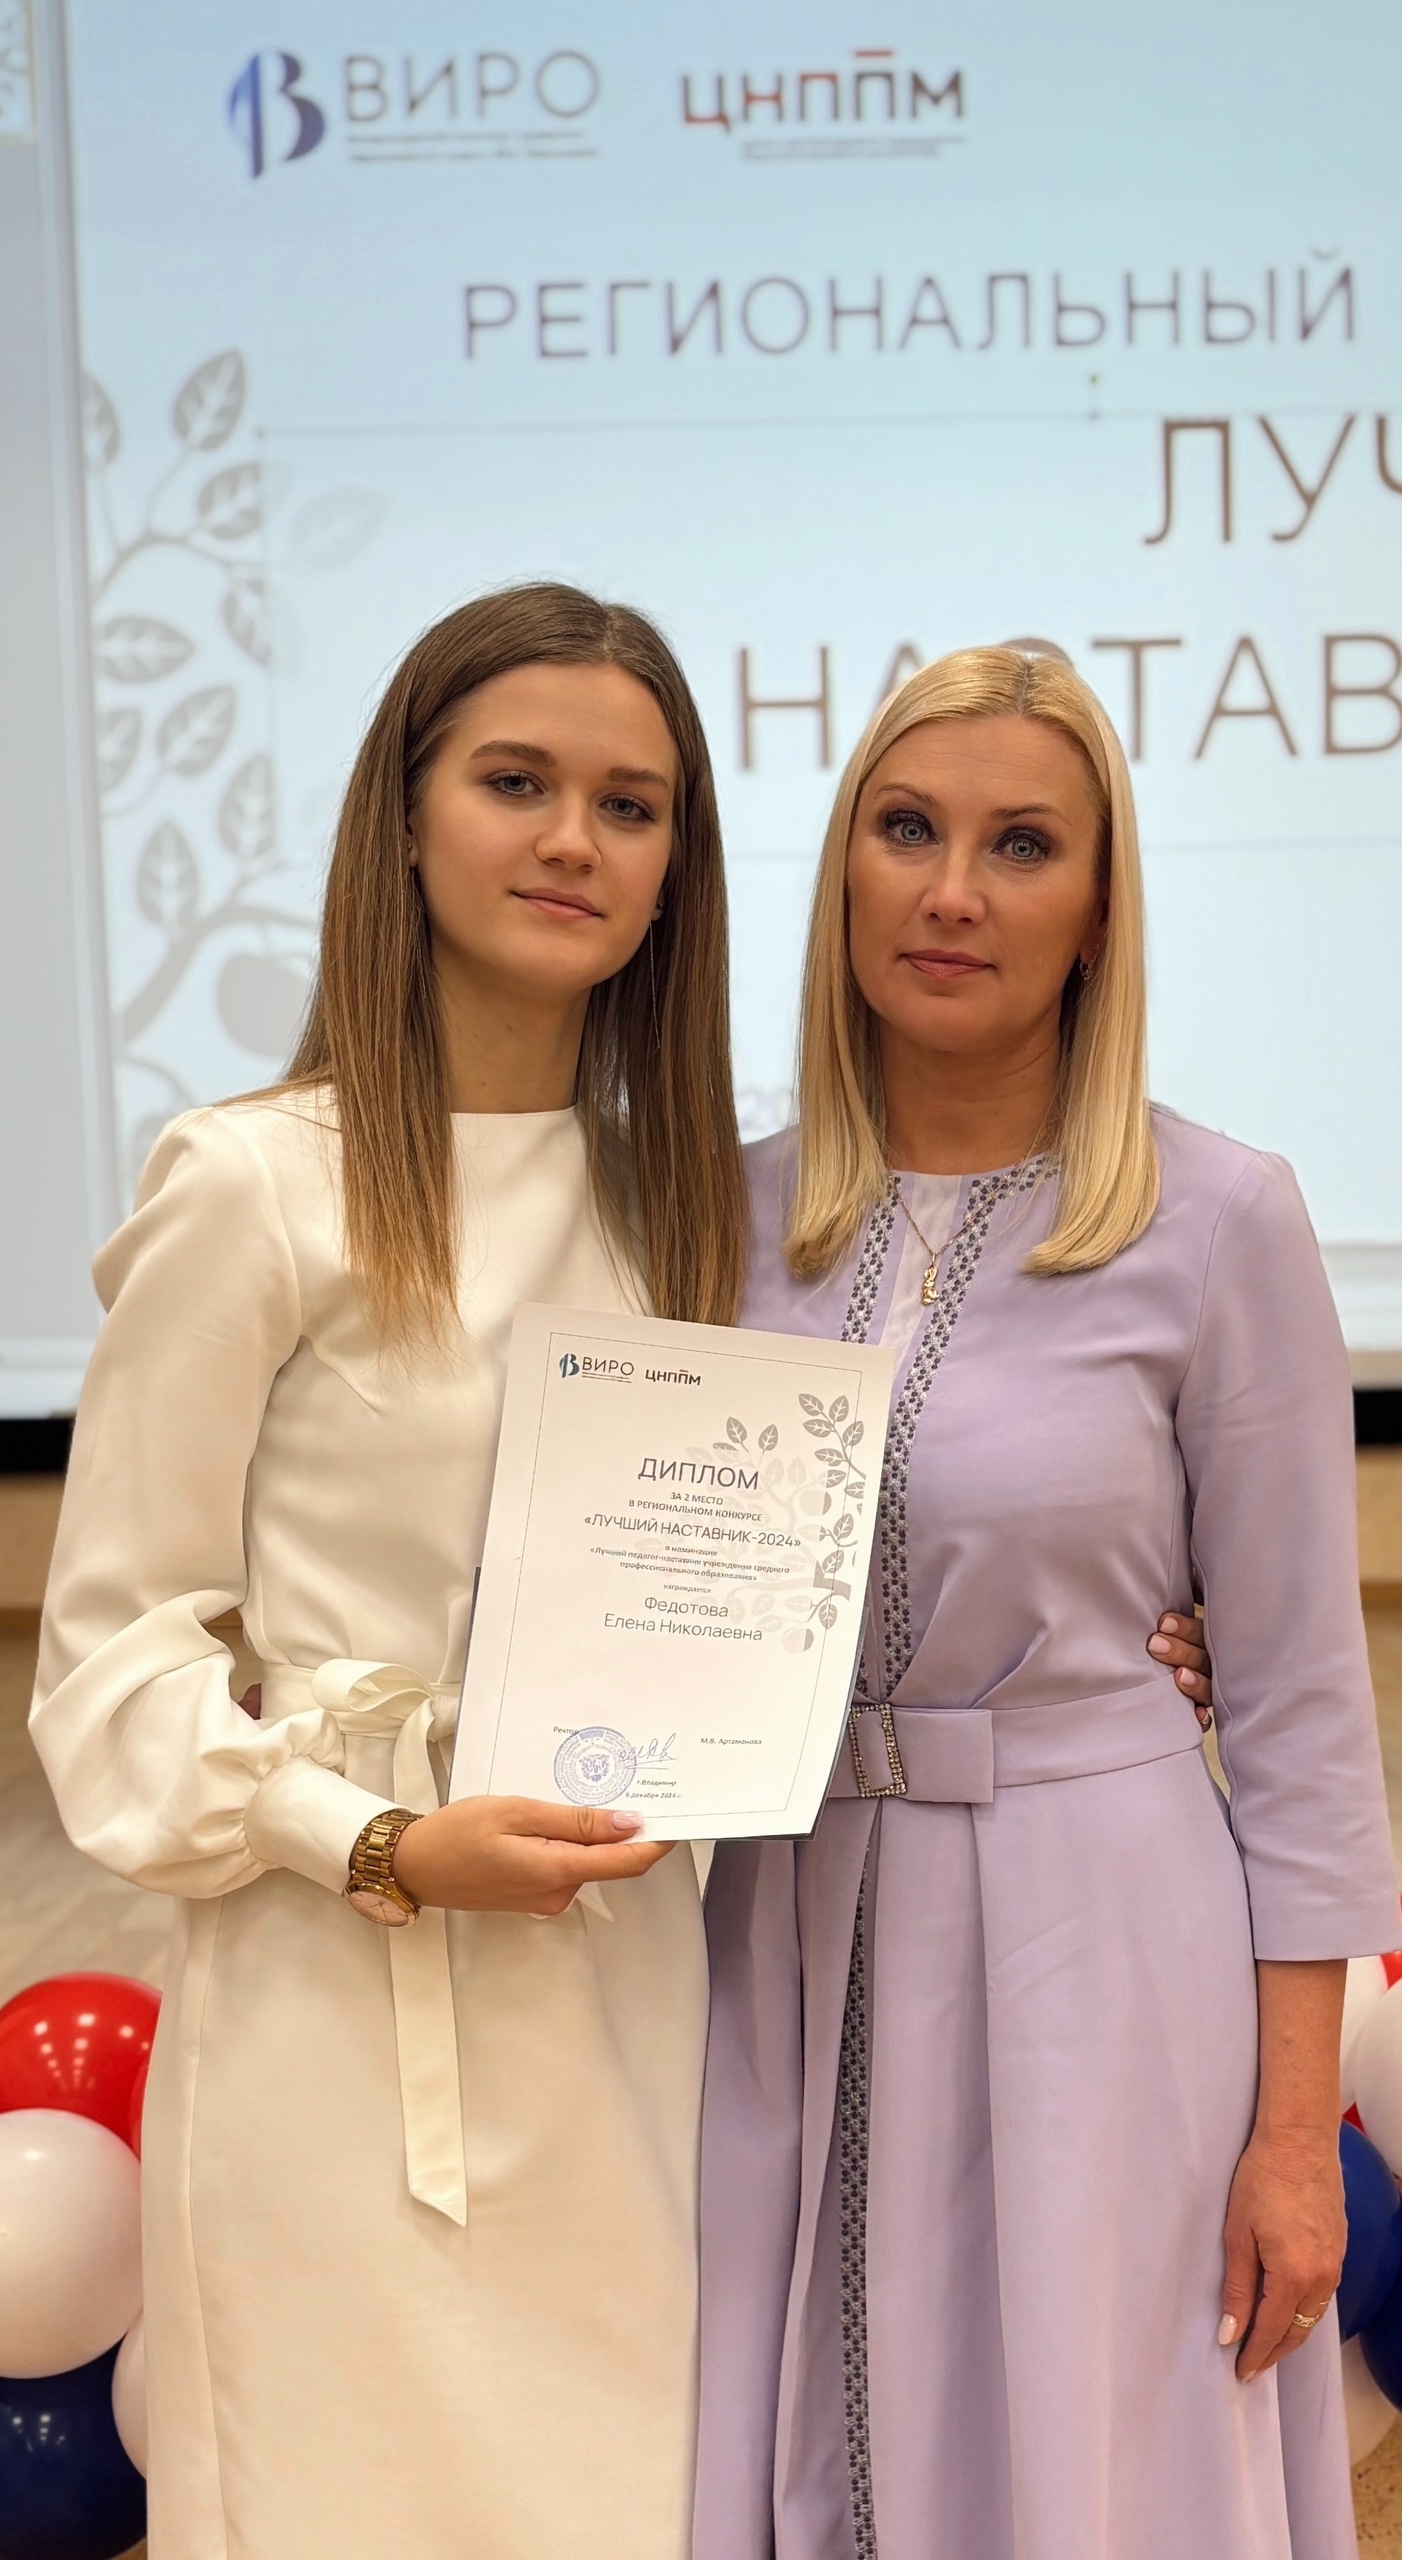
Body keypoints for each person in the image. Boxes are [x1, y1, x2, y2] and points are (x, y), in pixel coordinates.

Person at [31, 586, 1217, 2559]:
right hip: (345, 2006)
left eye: (631, 804)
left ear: (680, 868)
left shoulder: (705, 1213)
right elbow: (109, 1672)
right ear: (404, 818)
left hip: (641, 2008)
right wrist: (378, 1838)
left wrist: (1136, 1644)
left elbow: (859, 1530)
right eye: (518, 783)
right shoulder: (253, 1183)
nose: (574, 840)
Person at [694, 647, 1401, 2560]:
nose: (952, 892)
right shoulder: (716, 1217)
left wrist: (1296, 2138)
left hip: (1102, 1939)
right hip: (784, 1932)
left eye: (1022, 846)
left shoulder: (1221, 1219)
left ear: (1098, 912)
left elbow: (1304, 1711)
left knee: (1090, 2455)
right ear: (842, 870)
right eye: (906, 830)